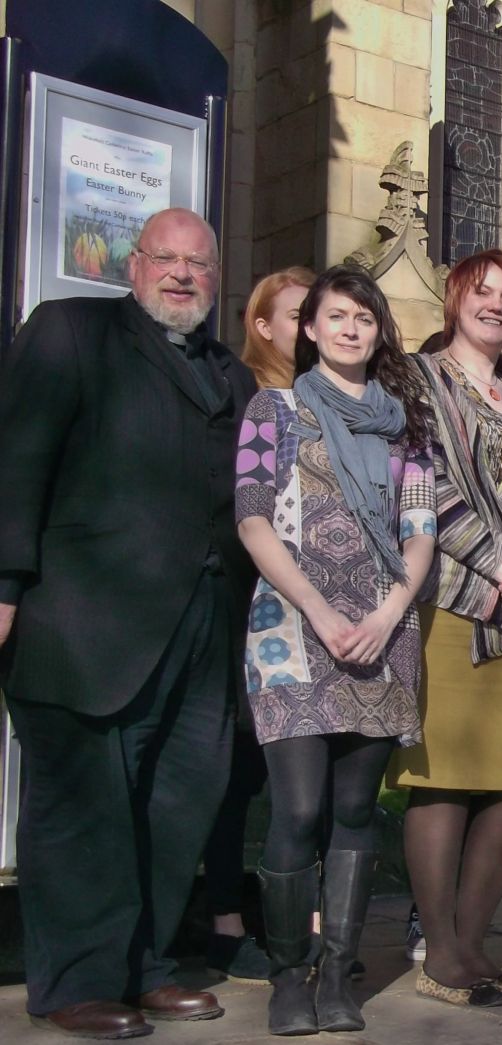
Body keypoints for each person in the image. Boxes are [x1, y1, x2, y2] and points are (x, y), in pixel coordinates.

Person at [0, 207, 254, 1038]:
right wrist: (4, 585)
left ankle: (142, 968)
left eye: (199, 264)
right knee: (84, 809)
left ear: (215, 280)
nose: (183, 274)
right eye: (166, 259)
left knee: (176, 805)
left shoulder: (230, 372)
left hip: (202, 629)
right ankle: (76, 980)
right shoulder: (71, 333)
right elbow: (17, 459)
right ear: (134, 265)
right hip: (83, 623)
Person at [237, 265, 437, 1035]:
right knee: (299, 805)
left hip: (383, 632)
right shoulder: (274, 409)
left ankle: (336, 975)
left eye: (365, 317)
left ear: (378, 331)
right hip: (293, 628)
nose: (351, 328)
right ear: (310, 329)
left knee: (356, 806)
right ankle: (289, 975)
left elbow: (419, 532)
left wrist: (389, 612)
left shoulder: (403, 425)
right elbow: (254, 519)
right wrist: (319, 609)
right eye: (336, 316)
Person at [381, 249, 502, 1007]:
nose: (496, 304)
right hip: (452, 601)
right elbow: (420, 483)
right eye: (483, 292)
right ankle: (446, 954)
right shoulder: (418, 382)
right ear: (456, 298)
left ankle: (463, 945)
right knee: (443, 783)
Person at [200, 265, 318, 986]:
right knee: (238, 772)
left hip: (321, 618)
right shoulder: (248, 396)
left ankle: (301, 924)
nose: (309, 326)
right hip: (252, 607)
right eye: (296, 313)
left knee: (299, 783)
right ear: (263, 325)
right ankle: (223, 922)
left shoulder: (327, 394)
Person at [241, 266, 315, 390]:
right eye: (296, 317)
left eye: (314, 316)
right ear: (265, 328)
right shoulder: (248, 391)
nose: (310, 327)